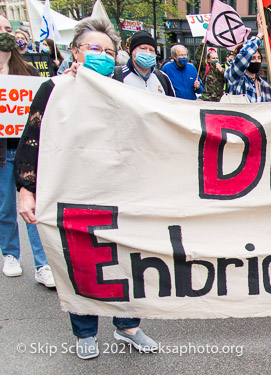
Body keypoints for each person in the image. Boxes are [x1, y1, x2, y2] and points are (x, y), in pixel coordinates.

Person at [15, 17, 159, 360]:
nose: (101, 55)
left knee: (127, 260)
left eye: (108, 51)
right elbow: (32, 141)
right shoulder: (54, 89)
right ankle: (85, 331)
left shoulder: (124, 90)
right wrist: (26, 189)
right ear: (75, 52)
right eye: (93, 48)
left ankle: (127, 326)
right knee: (80, 262)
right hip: (72, 192)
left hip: (119, 191)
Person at [0, 17, 53, 288]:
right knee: (5, 208)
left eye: (8, 30)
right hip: (1, 151)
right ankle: (10, 254)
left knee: (32, 206)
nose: (6, 35)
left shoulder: (30, 72)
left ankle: (43, 263)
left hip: (27, 150)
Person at [225, 11, 271, 103]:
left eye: (258, 58)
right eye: (252, 58)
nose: (256, 61)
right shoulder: (235, 78)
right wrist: (259, 36)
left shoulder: (265, 87)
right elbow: (244, 54)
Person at [113, 30, 174, 96]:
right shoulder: (118, 76)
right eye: (143, 48)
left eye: (151, 50)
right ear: (132, 51)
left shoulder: (162, 78)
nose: (147, 52)